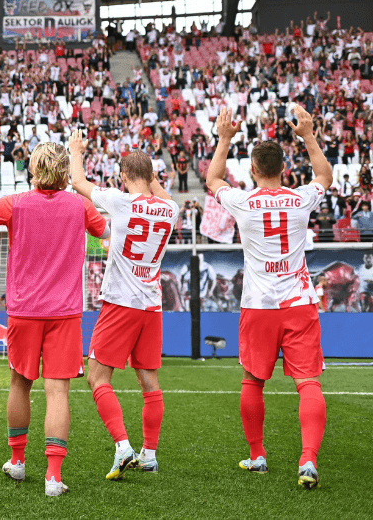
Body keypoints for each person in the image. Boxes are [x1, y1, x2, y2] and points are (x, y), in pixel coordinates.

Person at [0, 143, 108, 497]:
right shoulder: (81, 206)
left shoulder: (17, 202)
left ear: (34, 169)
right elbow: (107, 233)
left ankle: (18, 461)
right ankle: (53, 478)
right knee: (58, 391)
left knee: (19, 384)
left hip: (24, 311)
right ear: (62, 172)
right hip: (65, 313)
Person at [206, 105, 333, 489]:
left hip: (259, 306)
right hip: (298, 302)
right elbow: (325, 176)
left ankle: (258, 455)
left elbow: (212, 177)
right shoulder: (299, 199)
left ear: (253, 171)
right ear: (284, 170)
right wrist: (308, 135)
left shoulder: (243, 202)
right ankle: (308, 461)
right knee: (308, 383)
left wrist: (225, 137)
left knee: (252, 381)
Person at [69, 134, 179, 480]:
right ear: (151, 176)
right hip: (151, 305)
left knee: (97, 376)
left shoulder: (119, 201)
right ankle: (150, 453)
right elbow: (160, 195)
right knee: (149, 381)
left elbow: (77, 181)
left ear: (123, 177)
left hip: (120, 303)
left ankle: (123, 447)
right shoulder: (171, 209)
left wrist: (75, 151)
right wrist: (148, 177)